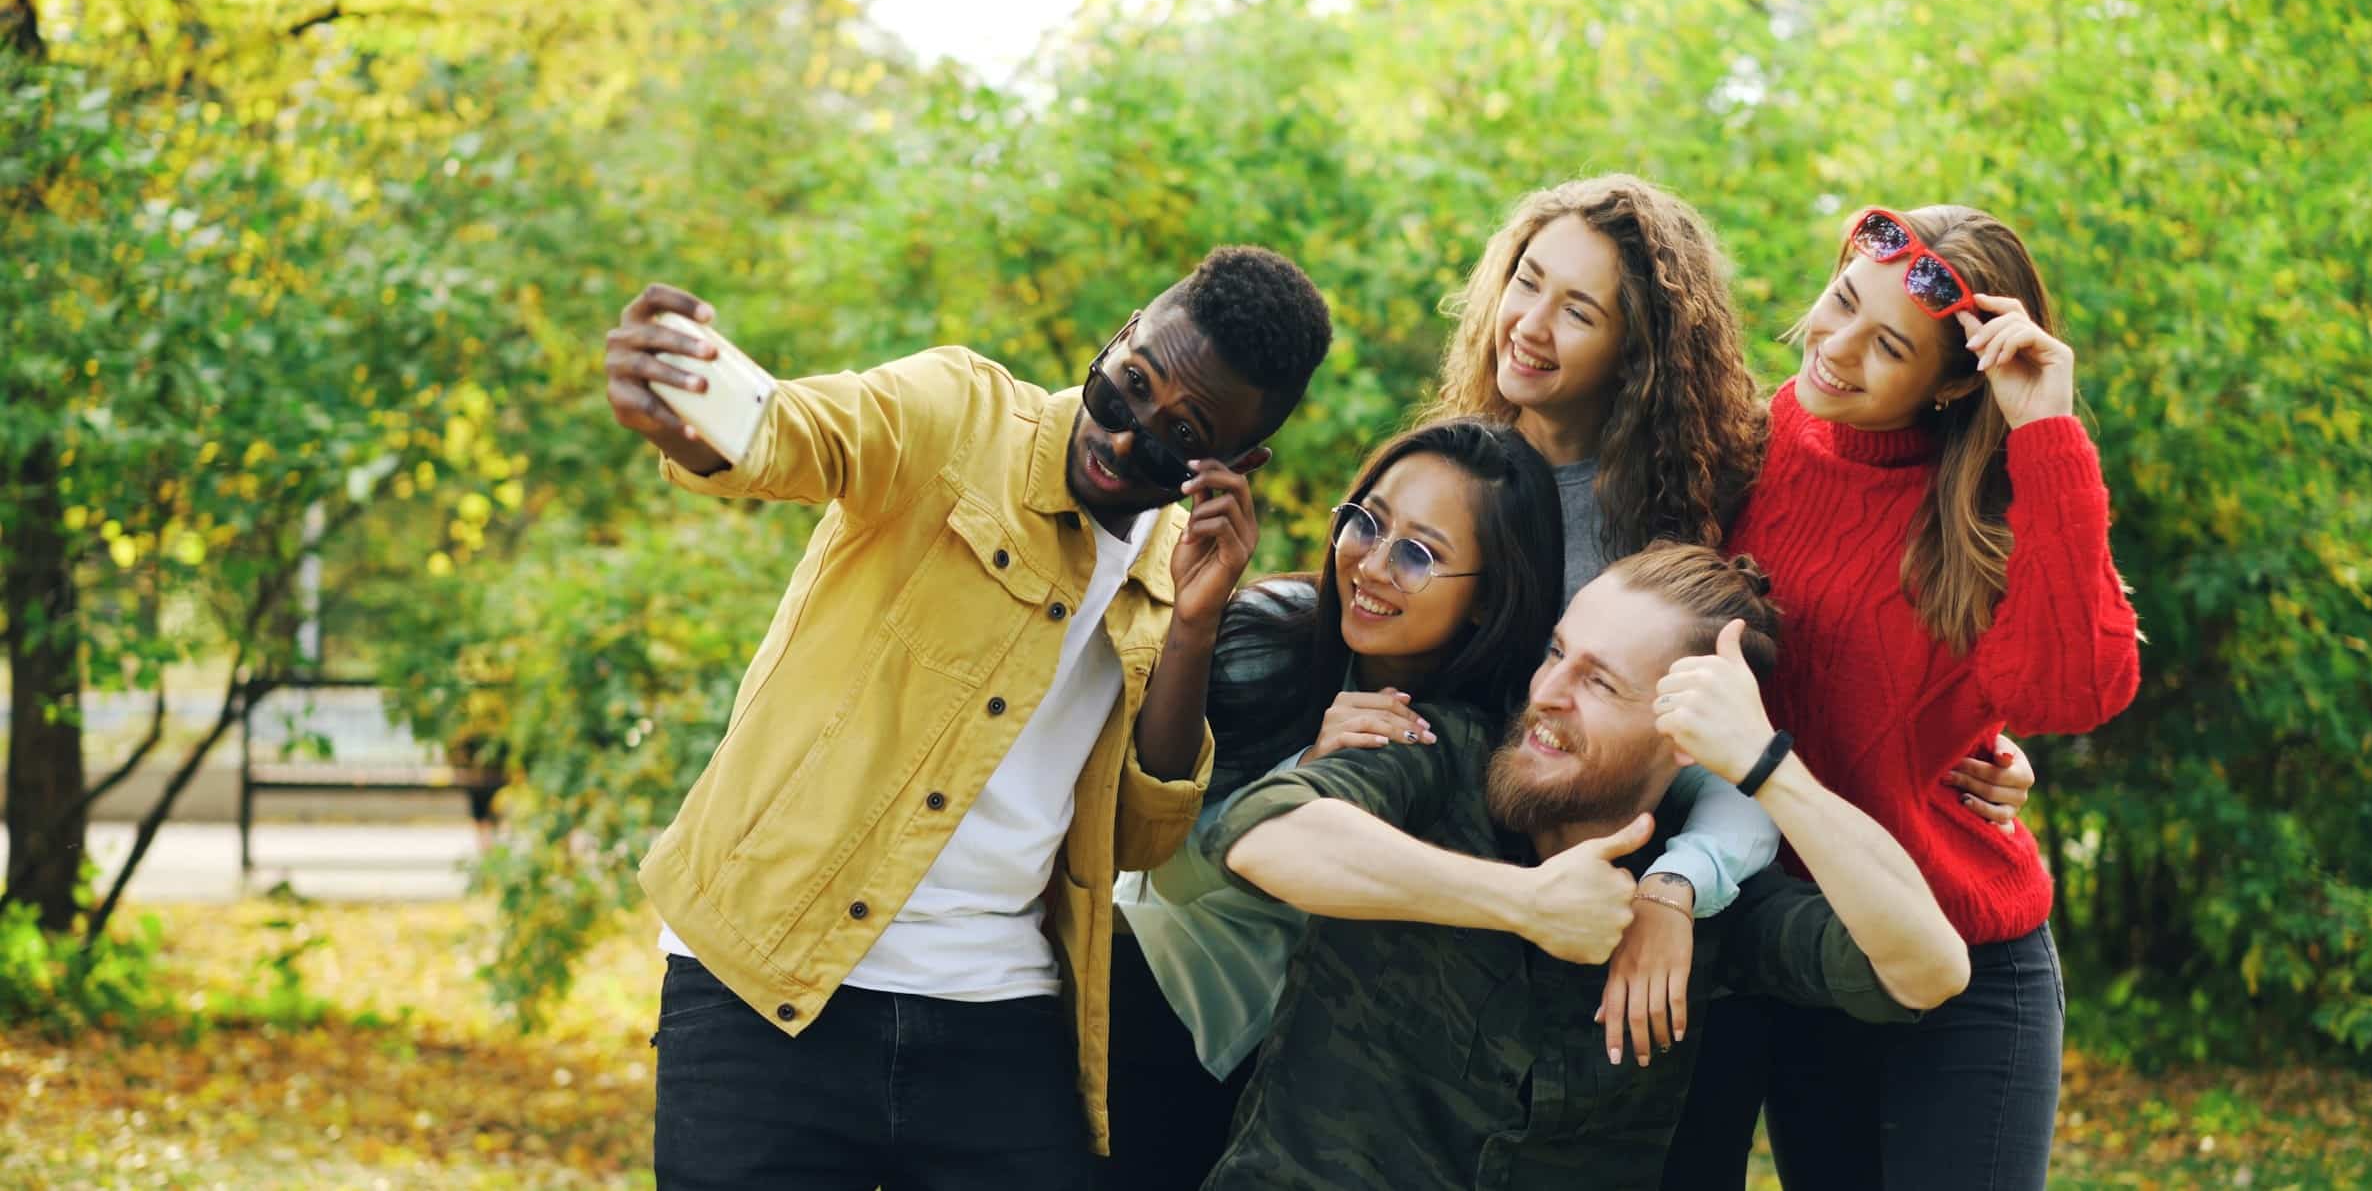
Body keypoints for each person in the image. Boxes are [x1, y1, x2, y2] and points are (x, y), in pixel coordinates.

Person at [602, 247, 1332, 1189]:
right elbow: (797, 433)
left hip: (992, 1006)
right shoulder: (960, 414)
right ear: (1116, 340)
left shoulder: (1175, 572)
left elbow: (1141, 840)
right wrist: (695, 405)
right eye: (1123, 391)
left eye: (1171, 439)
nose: (1119, 440)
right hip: (765, 974)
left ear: (1234, 462)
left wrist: (1194, 623)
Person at [1425, 177, 2034, 1062]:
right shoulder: (1439, 476)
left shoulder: (1696, 496)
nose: (1529, 323)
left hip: (1679, 910)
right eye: (1526, 279)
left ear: (1637, 347)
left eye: (1580, 311)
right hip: (1455, 901)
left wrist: (1975, 743)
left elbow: (1767, 715)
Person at [1195, 541, 1971, 1189]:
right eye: (1557, 653)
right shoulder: (1439, 753)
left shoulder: (1701, 898)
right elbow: (1260, 834)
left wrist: (1770, 767)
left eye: (1600, 682)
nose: (1548, 694)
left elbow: (1927, 969)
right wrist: (1522, 901)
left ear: (1683, 738)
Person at [1667, 205, 2141, 1189]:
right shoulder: (1741, 447)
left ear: (1954, 380)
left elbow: (2076, 689)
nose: (1836, 348)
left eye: (1888, 346)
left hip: (1971, 959)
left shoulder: (1986, 510)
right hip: (1808, 948)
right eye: (1841, 302)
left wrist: (2046, 425)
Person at [1105, 419, 1564, 1188]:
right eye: (1367, 522)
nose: (1373, 565)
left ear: (1489, 597)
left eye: (1419, 554)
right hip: (1130, 986)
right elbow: (1156, 859)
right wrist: (1300, 766)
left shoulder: (1465, 745)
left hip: (1250, 1063)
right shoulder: (1271, 632)